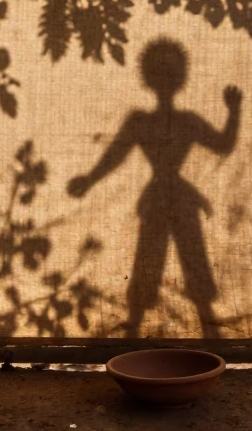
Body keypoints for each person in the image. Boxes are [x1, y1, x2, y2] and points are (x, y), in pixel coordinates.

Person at [68, 39, 241, 338]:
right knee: (149, 258)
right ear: (149, 77)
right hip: (161, 201)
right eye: (160, 72)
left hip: (176, 201)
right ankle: (135, 328)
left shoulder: (185, 122)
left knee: (192, 257)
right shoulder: (142, 122)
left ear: (180, 77)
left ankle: (205, 326)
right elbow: (115, 156)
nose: (165, 80)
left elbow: (223, 143)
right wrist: (89, 179)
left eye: (171, 72)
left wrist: (234, 111)